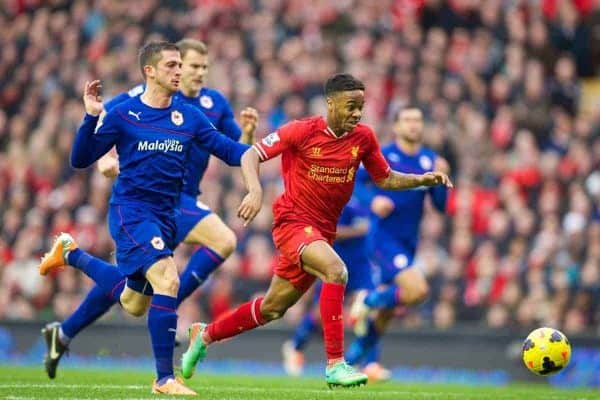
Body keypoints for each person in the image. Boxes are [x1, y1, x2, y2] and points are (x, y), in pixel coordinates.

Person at [180, 73, 452, 388]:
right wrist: (254, 191)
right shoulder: (301, 130)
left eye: (360, 107)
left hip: (321, 232)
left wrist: (422, 179)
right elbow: (252, 154)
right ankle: (336, 364)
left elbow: (385, 177)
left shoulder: (363, 138)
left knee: (272, 308)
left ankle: (205, 335)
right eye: (351, 106)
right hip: (292, 223)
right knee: (336, 271)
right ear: (330, 102)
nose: (356, 113)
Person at [38, 41, 251, 395]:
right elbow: (89, 151)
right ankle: (164, 376)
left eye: (197, 66)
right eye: (183, 65)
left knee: (134, 302)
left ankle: (71, 263)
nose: (190, 72)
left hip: (173, 206)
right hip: (139, 207)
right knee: (191, 262)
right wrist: (96, 129)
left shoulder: (207, 107)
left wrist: (265, 145)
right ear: (152, 70)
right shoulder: (131, 103)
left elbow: (233, 148)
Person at [345, 105, 450, 372]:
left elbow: (439, 206)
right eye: (407, 120)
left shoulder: (430, 160)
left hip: (408, 242)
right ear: (397, 127)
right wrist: (373, 201)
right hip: (382, 238)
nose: (414, 125)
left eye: (417, 119)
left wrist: (441, 180)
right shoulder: (384, 155)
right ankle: (367, 301)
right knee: (418, 290)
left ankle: (354, 363)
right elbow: (353, 184)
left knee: (385, 315)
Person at [281, 197, 383, 378]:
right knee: (321, 314)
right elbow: (331, 231)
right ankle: (295, 346)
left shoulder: (372, 198)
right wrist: (358, 231)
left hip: (362, 266)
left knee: (371, 309)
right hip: (335, 262)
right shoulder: (343, 198)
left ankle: (370, 363)